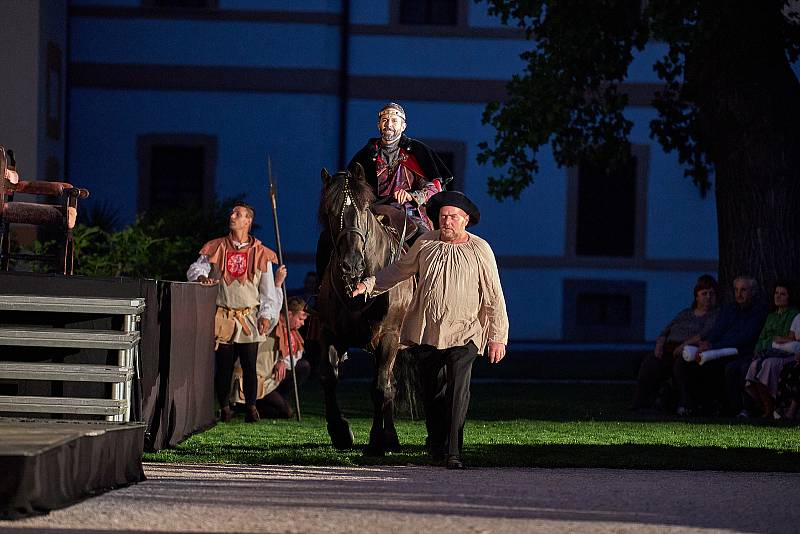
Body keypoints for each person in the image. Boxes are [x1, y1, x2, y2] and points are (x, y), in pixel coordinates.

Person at [352, 190, 509, 469]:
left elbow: (494, 295)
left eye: (452, 217)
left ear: (466, 220)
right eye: (442, 216)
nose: (446, 221)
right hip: (428, 330)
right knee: (432, 391)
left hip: (466, 331)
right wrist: (369, 284)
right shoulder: (425, 243)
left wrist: (498, 337)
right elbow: (400, 269)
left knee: (458, 390)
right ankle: (437, 446)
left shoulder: (480, 248)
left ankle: (453, 452)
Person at [316, 102, 453, 278]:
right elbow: (353, 187)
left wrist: (412, 195)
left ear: (403, 126)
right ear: (378, 125)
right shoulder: (366, 154)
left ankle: (431, 290)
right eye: (385, 120)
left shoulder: (417, 152)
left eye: (394, 120)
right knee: (328, 238)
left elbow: (435, 186)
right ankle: (321, 289)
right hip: (372, 211)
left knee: (426, 240)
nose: (389, 124)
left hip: (408, 211)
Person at [187, 201, 286, 423]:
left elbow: (268, 290)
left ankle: (251, 407)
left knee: (250, 365)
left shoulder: (261, 253)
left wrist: (266, 315)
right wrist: (203, 277)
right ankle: (224, 406)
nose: (232, 216)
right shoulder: (216, 247)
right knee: (223, 366)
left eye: (238, 214)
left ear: (248, 221)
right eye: (232, 212)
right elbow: (196, 268)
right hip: (223, 316)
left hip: (249, 316)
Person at [673, 275, 767, 415]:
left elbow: (744, 338)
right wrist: (707, 343)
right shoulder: (729, 309)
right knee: (684, 362)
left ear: (753, 292)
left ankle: (729, 407)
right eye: (736, 290)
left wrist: (713, 346)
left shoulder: (757, 312)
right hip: (717, 349)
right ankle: (687, 404)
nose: (739, 294)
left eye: (743, 290)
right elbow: (718, 329)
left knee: (727, 367)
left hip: (739, 352)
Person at [631, 274, 719, 412]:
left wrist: (683, 345)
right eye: (704, 294)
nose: (708, 297)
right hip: (669, 347)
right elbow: (666, 330)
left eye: (711, 294)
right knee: (650, 363)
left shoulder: (714, 315)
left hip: (688, 350)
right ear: (697, 296)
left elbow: (704, 333)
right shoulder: (686, 313)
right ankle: (640, 403)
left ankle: (684, 404)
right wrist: (659, 345)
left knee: (680, 365)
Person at [744, 282, 799, 418]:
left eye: (782, 294)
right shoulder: (771, 316)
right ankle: (765, 406)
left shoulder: (793, 314)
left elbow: (787, 338)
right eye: (776, 293)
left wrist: (775, 342)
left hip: (784, 352)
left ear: (789, 297)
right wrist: (758, 350)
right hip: (767, 350)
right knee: (754, 364)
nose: (778, 296)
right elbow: (763, 336)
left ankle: (772, 408)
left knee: (767, 365)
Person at [257, 296, 312, 418]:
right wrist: (279, 360)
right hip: (263, 380)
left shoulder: (293, 332)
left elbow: (294, 358)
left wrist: (283, 361)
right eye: (300, 319)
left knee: (303, 366)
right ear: (289, 314)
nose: (302, 323)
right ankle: (251, 405)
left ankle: (279, 398)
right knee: (286, 412)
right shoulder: (273, 326)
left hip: (275, 379)